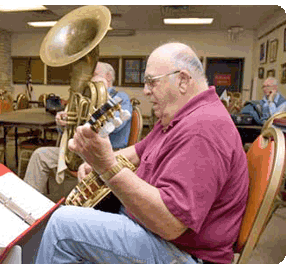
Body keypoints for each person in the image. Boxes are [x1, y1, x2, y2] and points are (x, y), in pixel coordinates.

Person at [34, 43, 249, 264]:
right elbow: (138, 151)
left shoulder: (203, 128)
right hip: (157, 234)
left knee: (61, 225)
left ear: (183, 80)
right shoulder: (180, 115)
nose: (146, 91)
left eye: (151, 82)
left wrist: (108, 166)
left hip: (184, 252)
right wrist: (97, 163)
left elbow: (171, 223)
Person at [23, 62, 132, 195]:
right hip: (80, 151)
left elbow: (114, 127)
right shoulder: (85, 98)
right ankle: (29, 205)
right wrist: (63, 122)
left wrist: (98, 102)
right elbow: (67, 132)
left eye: (93, 75)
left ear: (108, 77)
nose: (89, 80)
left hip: (107, 154)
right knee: (40, 155)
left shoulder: (120, 97)